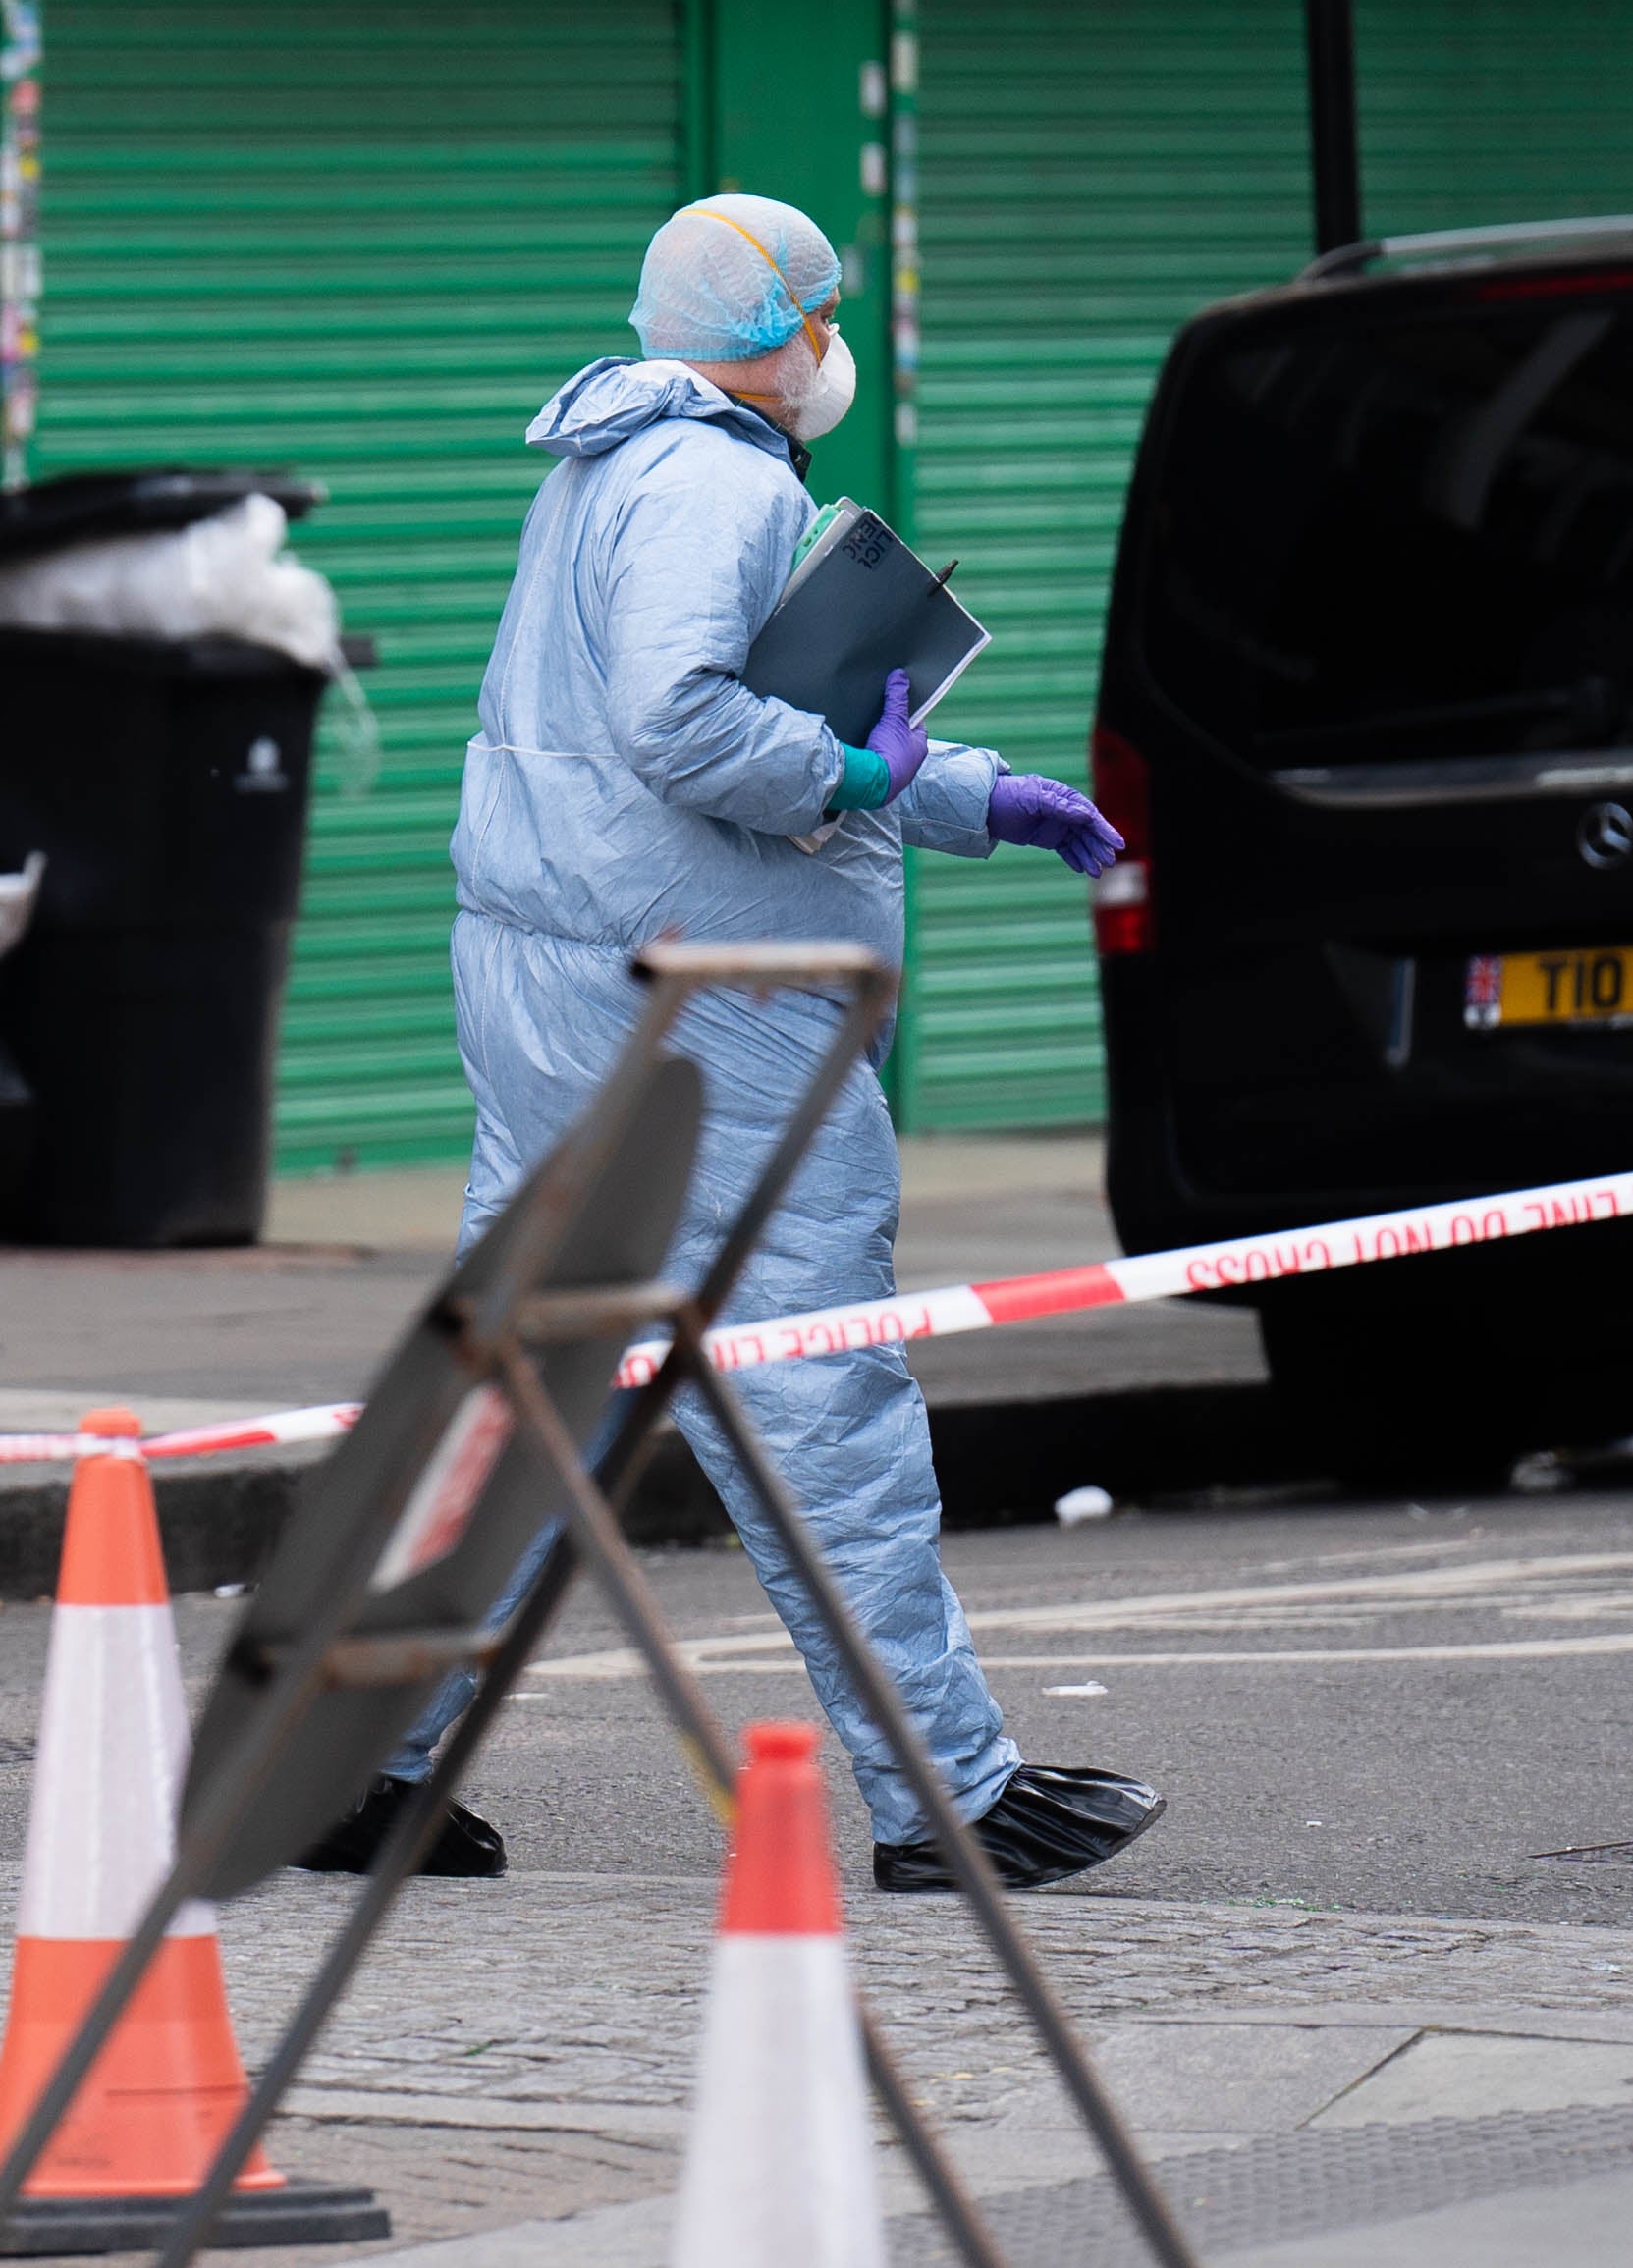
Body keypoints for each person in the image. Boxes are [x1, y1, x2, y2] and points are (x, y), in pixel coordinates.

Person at [304, 196, 1164, 1896]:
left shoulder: (606, 470)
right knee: (818, 1403)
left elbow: (731, 720)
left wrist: (967, 793)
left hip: (566, 983)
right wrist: (854, 778)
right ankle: (955, 1797)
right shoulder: (722, 482)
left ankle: (363, 1772)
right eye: (824, 316)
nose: (834, 345)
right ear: (771, 332)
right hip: (707, 1013)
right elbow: (691, 725)